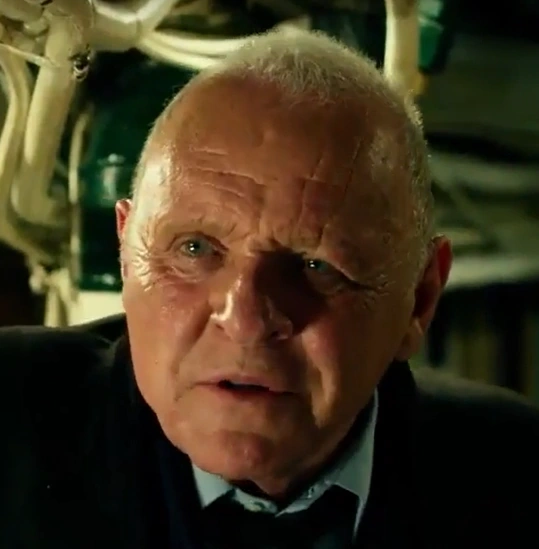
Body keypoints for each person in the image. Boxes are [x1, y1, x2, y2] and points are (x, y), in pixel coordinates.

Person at [0, 29, 538, 549]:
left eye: (315, 265)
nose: (245, 318)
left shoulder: (518, 480)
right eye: (194, 248)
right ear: (126, 252)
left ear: (419, 299)